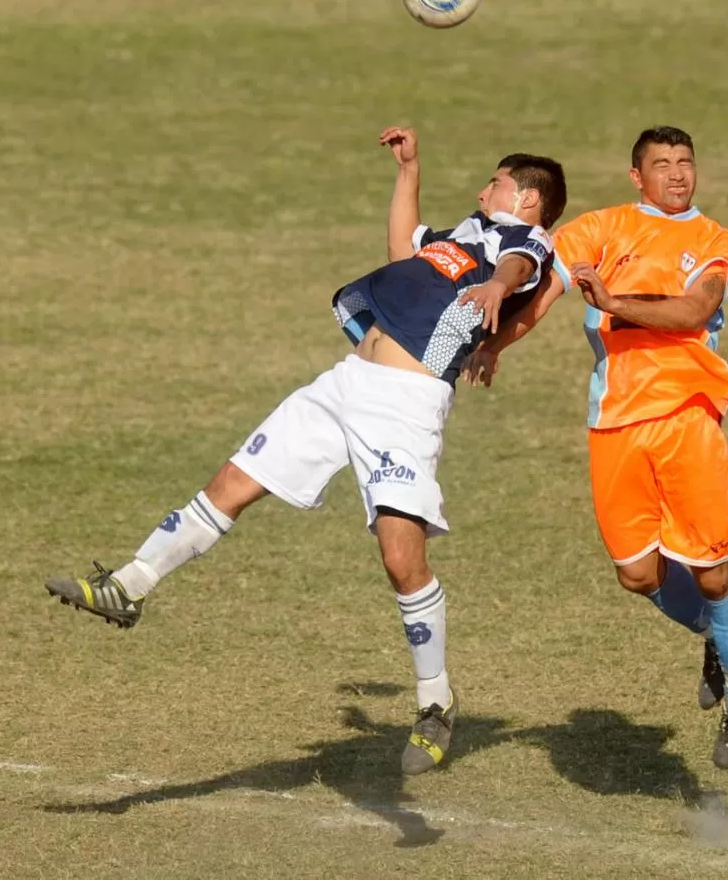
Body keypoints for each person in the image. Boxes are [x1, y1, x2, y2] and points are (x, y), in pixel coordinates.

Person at [45, 126, 567, 777]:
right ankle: (129, 584)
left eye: (495, 182)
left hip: (405, 406)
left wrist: (496, 290)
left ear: (525, 199)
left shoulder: (522, 242)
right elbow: (401, 246)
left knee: (402, 559)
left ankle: (436, 704)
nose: (483, 187)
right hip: (345, 384)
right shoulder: (454, 242)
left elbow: (522, 267)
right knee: (231, 483)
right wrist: (409, 172)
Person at [463, 126, 728, 769]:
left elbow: (692, 314)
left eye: (686, 162)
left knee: (710, 569)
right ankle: (717, 638)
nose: (678, 175)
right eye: (663, 165)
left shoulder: (714, 242)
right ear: (637, 177)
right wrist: (493, 344)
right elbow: (541, 294)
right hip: (614, 421)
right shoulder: (601, 228)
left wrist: (614, 301)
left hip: (687, 415)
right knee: (638, 574)